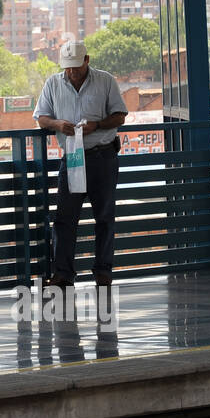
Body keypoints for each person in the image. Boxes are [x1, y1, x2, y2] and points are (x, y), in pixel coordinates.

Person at [33, 40, 128, 288]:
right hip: (72, 158)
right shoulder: (53, 83)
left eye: (76, 67)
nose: (72, 72)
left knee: (104, 216)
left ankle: (103, 272)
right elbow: (41, 117)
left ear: (87, 60)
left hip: (102, 156)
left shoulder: (105, 81)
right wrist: (57, 125)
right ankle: (63, 274)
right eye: (68, 68)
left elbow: (120, 116)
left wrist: (96, 126)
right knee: (64, 219)